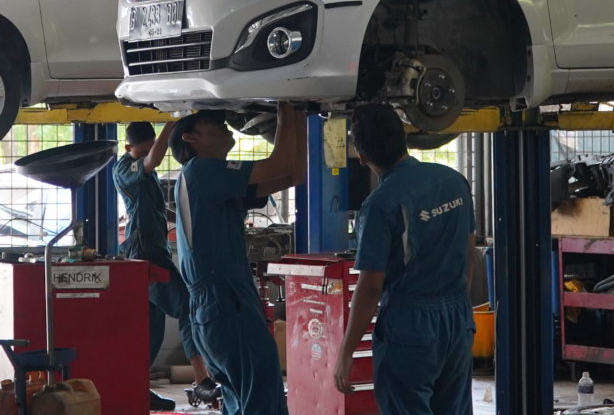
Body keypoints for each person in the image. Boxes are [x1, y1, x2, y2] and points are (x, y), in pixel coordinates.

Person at [332, 103, 476, 415]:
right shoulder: (453, 181)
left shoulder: (380, 204)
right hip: (457, 318)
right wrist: (458, 306)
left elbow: (370, 287)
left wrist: (346, 350)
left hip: (410, 326)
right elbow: (469, 250)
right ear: (404, 137)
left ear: (361, 155)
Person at [169, 102, 306, 415]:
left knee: (245, 399)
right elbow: (282, 161)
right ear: (191, 138)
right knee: (261, 397)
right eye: (212, 122)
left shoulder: (214, 181)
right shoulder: (202, 171)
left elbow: (294, 173)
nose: (223, 125)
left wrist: (297, 111)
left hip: (220, 303)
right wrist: (288, 103)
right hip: (224, 300)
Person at [113, 121, 221, 411]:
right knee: (187, 307)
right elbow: (153, 160)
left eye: (151, 149)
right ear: (128, 148)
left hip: (153, 252)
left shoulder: (146, 173)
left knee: (152, 330)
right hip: (143, 255)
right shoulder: (124, 170)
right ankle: (201, 379)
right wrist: (171, 123)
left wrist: (189, 216)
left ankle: (137, 389)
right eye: (143, 151)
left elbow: (158, 209)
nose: (149, 155)